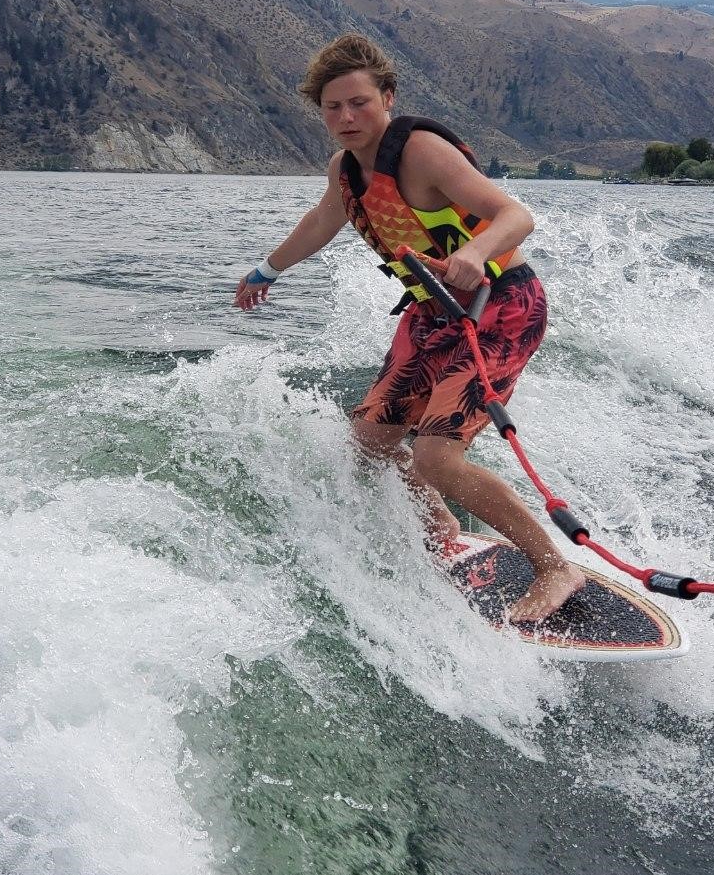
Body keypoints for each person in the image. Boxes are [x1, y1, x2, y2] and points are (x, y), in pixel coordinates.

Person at [234, 34, 584, 622]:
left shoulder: (421, 152)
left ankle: (555, 567)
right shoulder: (344, 170)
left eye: (359, 103)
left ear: (388, 98)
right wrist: (266, 270)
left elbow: (515, 215)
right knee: (368, 444)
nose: (346, 117)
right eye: (332, 107)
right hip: (432, 313)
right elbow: (323, 220)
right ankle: (441, 526)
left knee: (435, 459)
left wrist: (476, 251)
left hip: (500, 308)